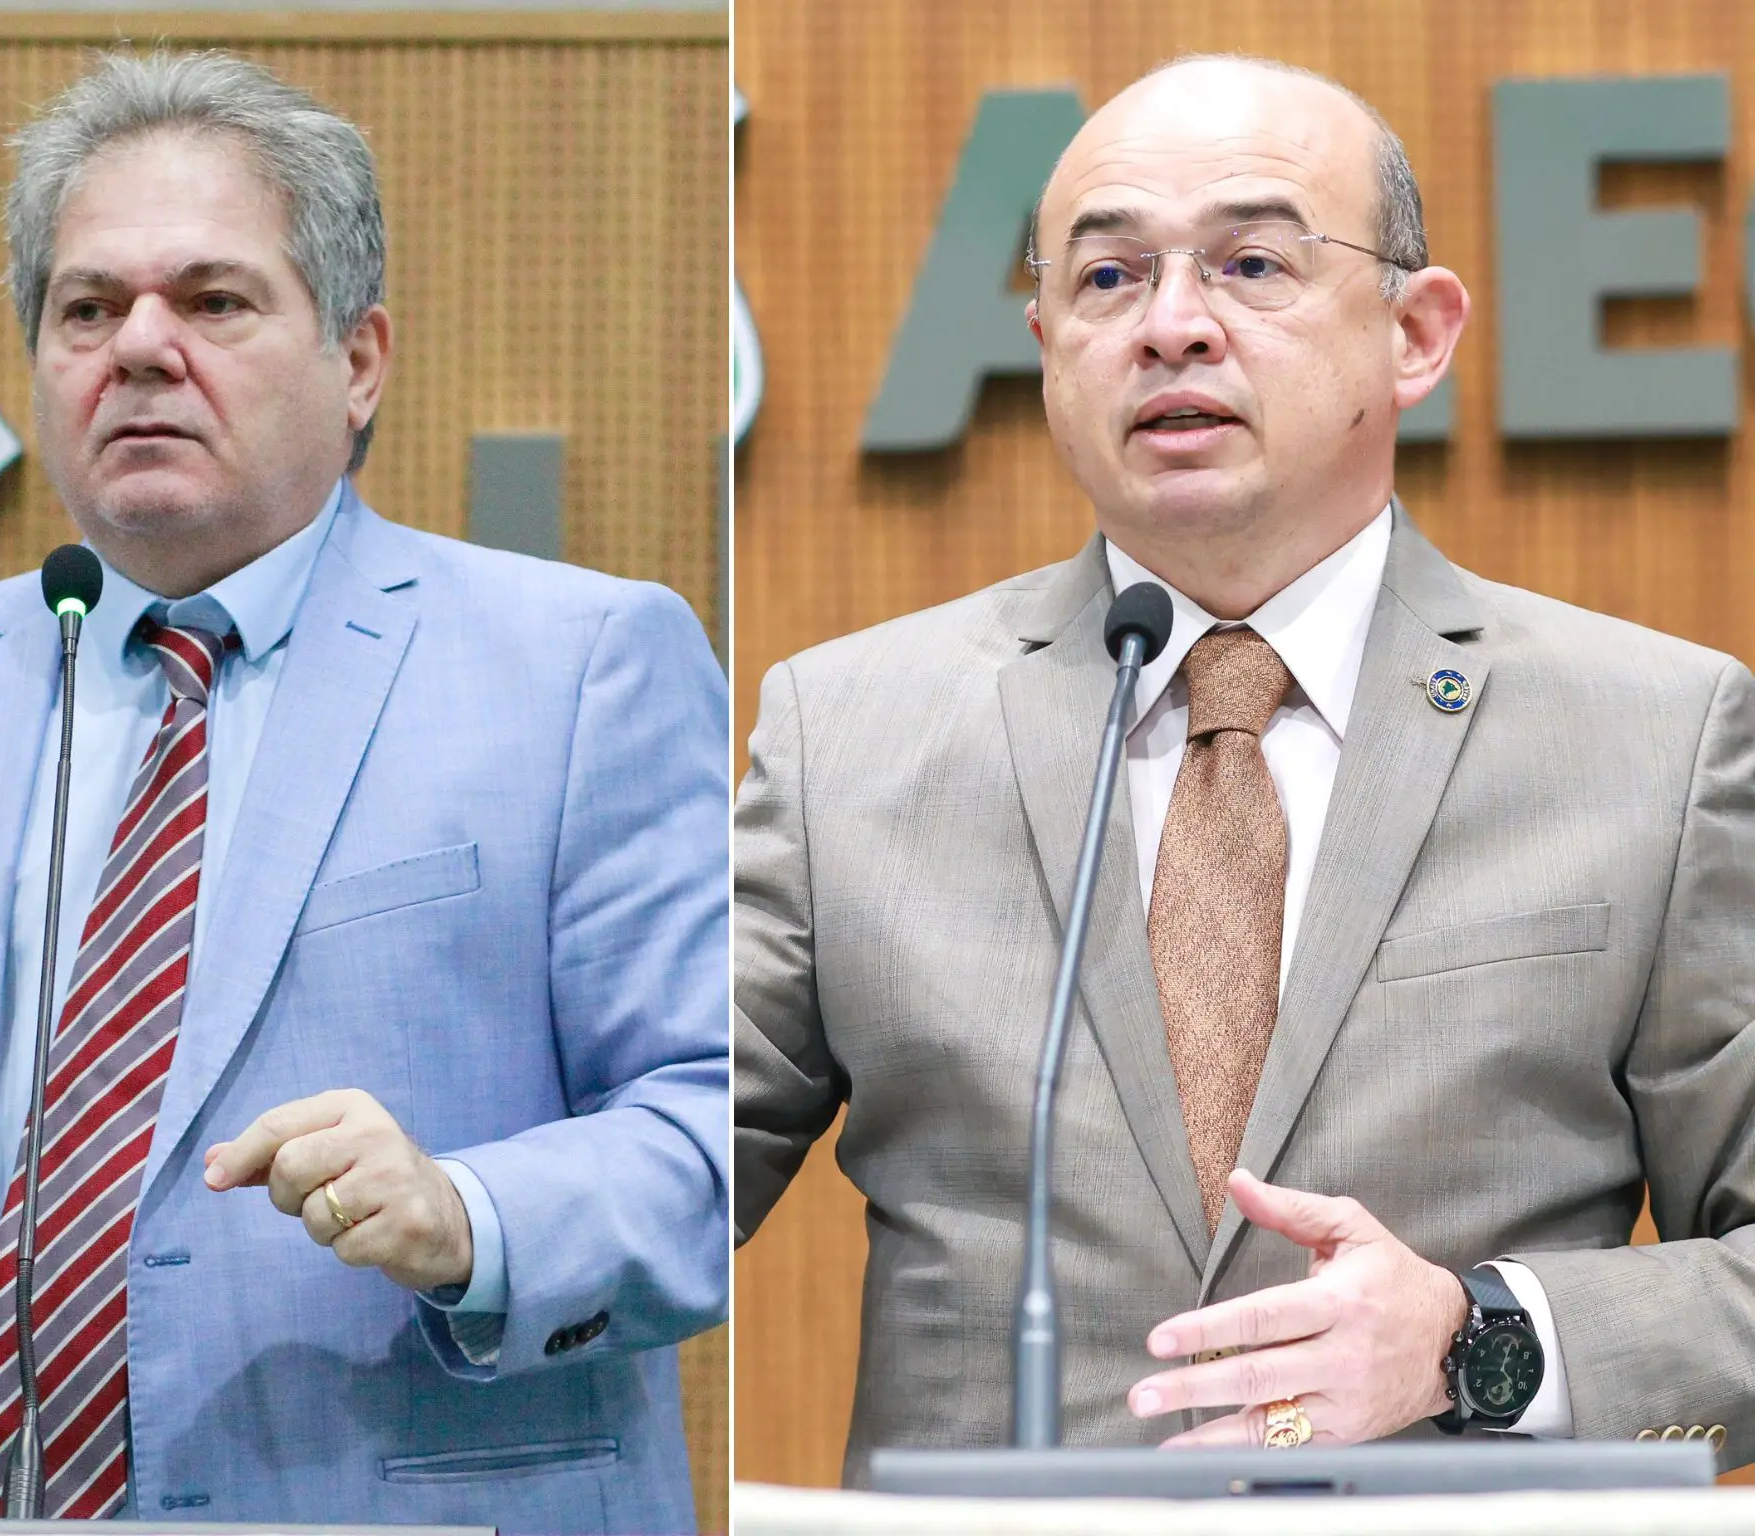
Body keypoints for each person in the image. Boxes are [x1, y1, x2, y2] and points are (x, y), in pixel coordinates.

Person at [0, 49, 728, 1534]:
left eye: (212, 298)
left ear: (360, 358)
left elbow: (707, 1128)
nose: (137, 346)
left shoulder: (579, 668)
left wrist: (468, 1213)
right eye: (86, 307)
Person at [735, 52, 1755, 1481]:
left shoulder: (1653, 733)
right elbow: (668, 1155)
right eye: (1106, 281)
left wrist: (1481, 1338)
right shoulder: (847, 732)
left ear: (1416, 331)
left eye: (1252, 264)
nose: (1170, 329)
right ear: (1043, 341)